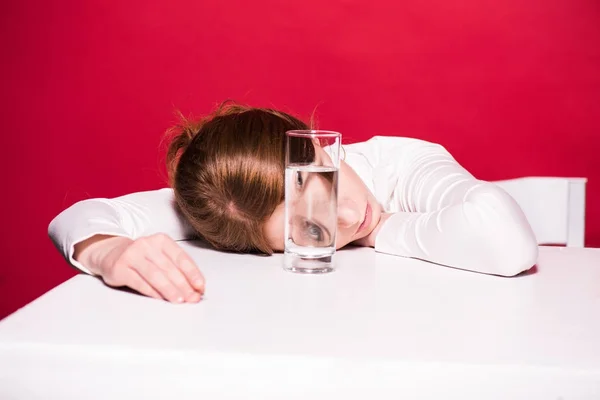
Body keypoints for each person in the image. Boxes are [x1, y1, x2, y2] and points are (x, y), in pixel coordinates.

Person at [48, 103, 538, 304]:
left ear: (318, 148)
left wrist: (380, 229)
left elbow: (505, 241)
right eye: (310, 231)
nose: (347, 216)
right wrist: (106, 252)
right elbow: (80, 217)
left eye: (323, 186)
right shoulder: (230, 207)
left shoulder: (401, 162)